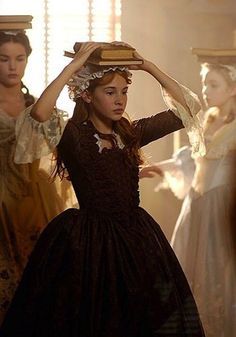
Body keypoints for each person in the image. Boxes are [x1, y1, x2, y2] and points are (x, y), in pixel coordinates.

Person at [0, 41, 205, 336]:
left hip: (137, 237)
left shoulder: (131, 134)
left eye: (124, 92)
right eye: (110, 92)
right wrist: (72, 68)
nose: (120, 100)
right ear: (86, 94)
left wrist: (147, 66)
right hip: (89, 240)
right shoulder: (73, 135)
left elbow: (187, 107)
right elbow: (40, 115)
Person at [140, 59, 236, 337]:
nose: (206, 90)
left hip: (221, 205)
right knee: (189, 267)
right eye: (205, 83)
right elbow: (191, 162)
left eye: (214, 85)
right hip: (196, 204)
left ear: (233, 90)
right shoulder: (207, 120)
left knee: (220, 267)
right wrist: (158, 167)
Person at [0, 28, 75, 324]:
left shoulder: (37, 105)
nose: (12, 66)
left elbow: (64, 149)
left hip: (36, 199)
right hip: (1, 202)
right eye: (3, 59)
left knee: (39, 276)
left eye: (19, 58)